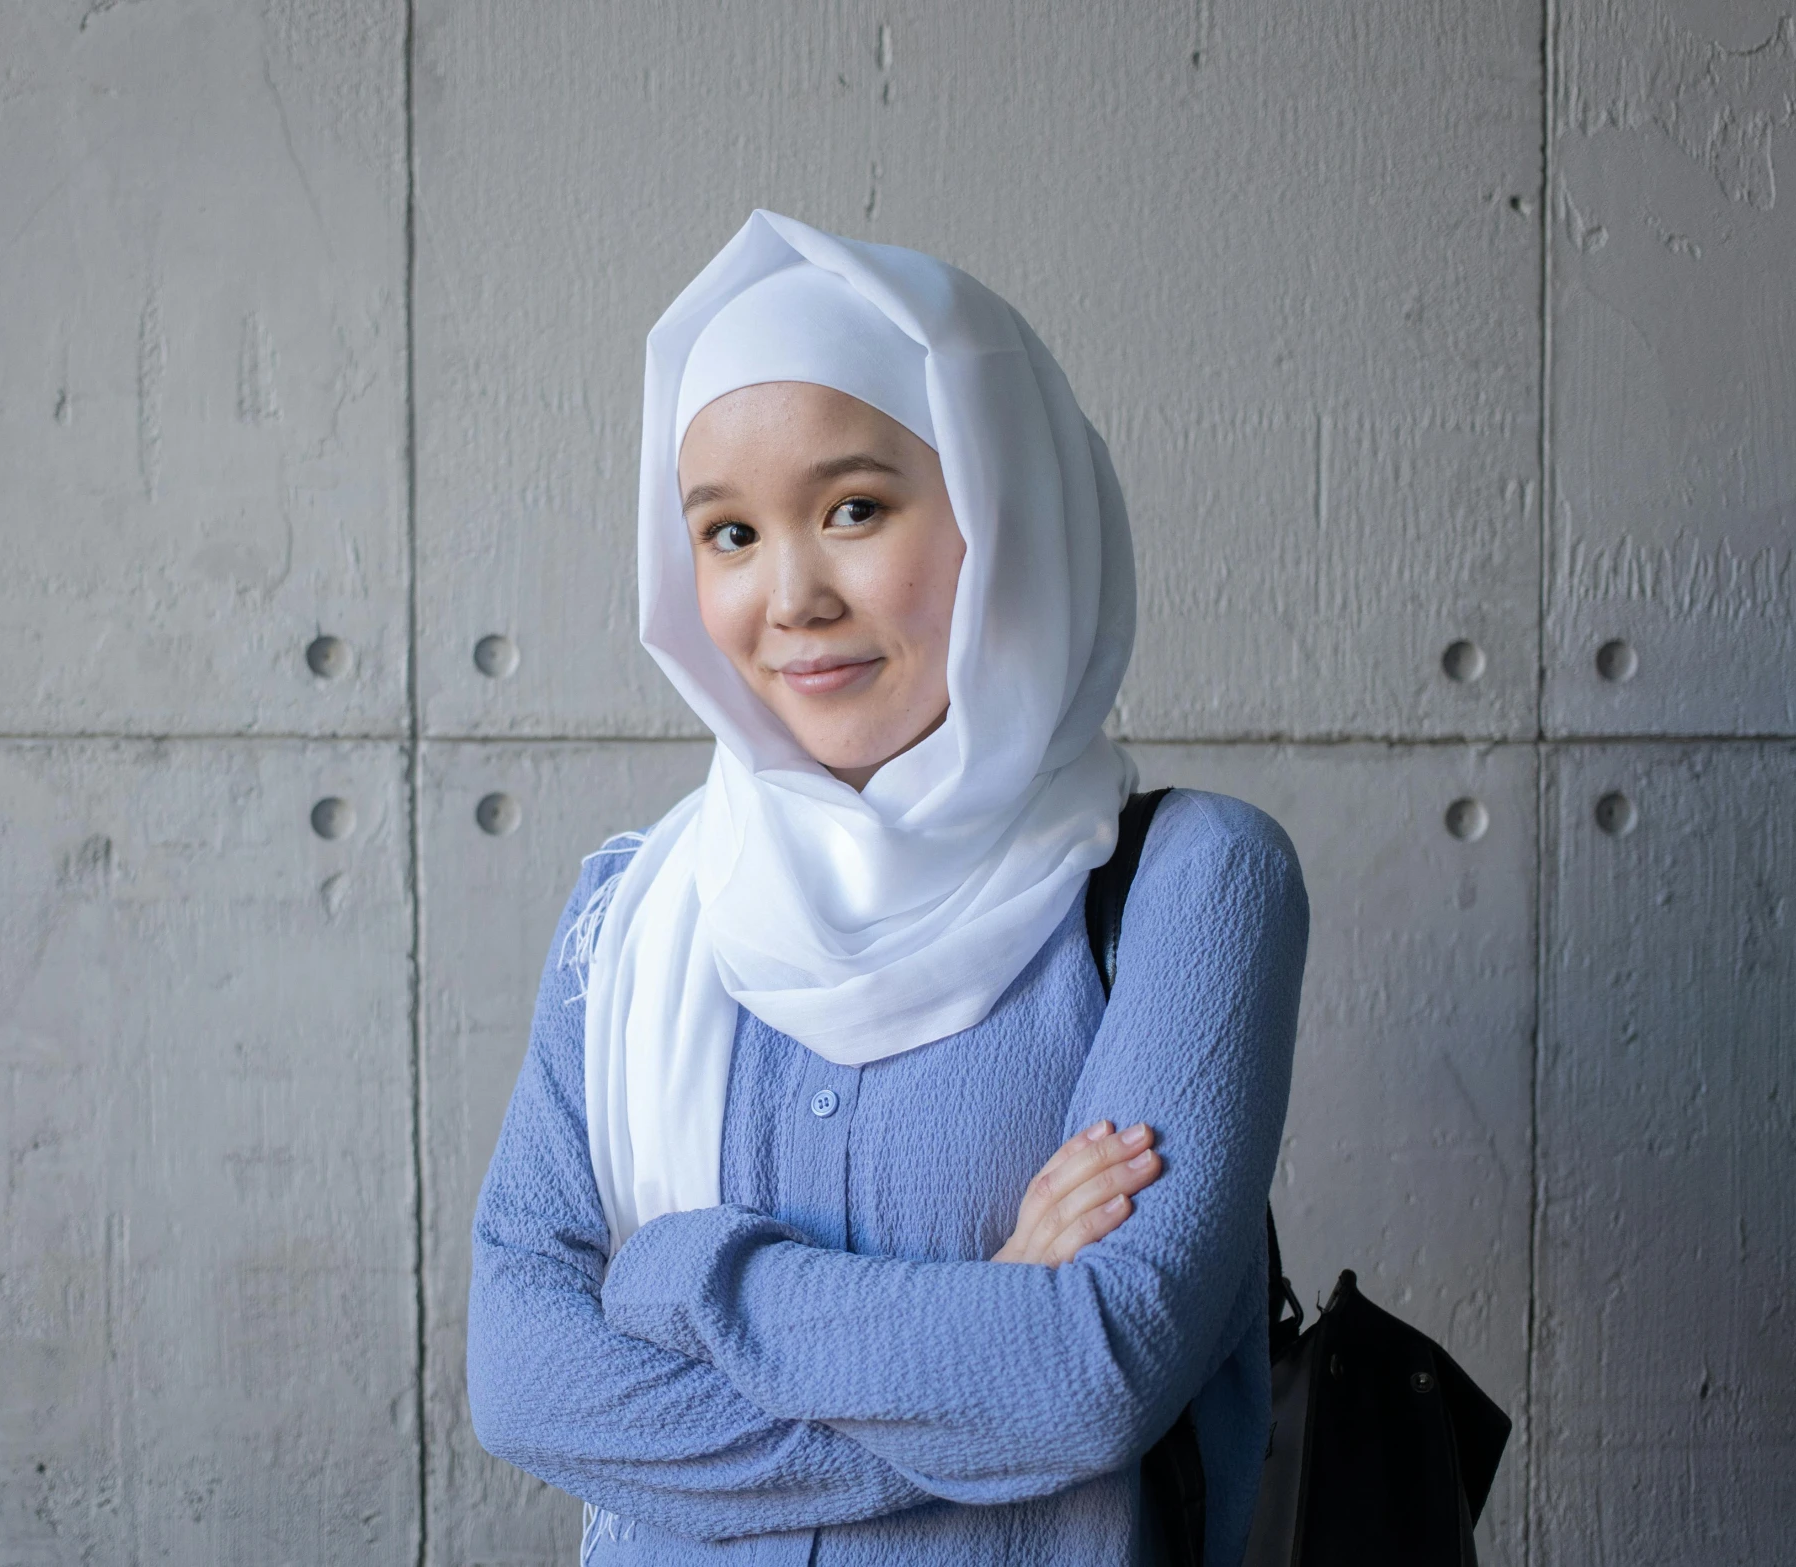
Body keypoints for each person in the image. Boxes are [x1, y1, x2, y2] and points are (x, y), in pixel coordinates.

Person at [465, 210, 1309, 1565]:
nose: (788, 594)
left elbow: (1091, 1371)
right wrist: (980, 1338)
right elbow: (520, 1376)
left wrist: (682, 1276)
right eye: (727, 533)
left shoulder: (1192, 882)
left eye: (853, 508)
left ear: (1002, 500)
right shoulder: (631, 916)